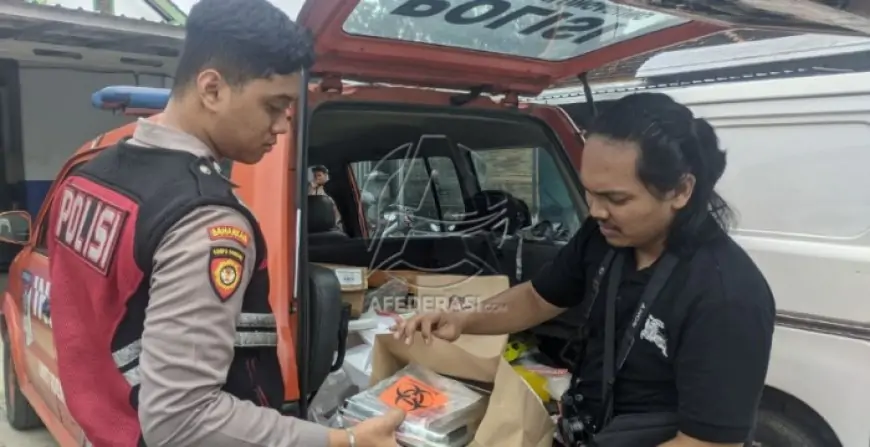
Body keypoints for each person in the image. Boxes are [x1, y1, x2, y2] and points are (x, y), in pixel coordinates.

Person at [47, 1, 403, 446]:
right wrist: (344, 442)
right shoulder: (204, 220)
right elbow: (182, 420)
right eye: (273, 106)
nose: (281, 126)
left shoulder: (88, 178)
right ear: (212, 89)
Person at [393, 93, 776, 447]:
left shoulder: (727, 296)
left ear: (680, 190)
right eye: (590, 193)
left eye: (616, 198)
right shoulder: (603, 237)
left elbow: (706, 444)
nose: (595, 211)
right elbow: (535, 298)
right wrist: (464, 318)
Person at [308, 164, 344, 231]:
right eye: (315, 176)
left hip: (331, 222)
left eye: (319, 175)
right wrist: (311, 187)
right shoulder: (312, 188)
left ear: (325, 175)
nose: (317, 178)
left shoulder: (330, 188)